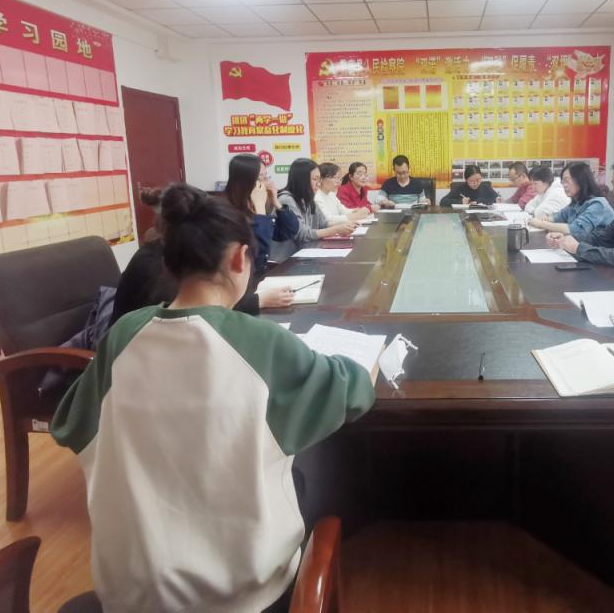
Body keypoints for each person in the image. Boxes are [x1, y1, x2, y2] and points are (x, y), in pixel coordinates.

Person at [51, 184, 375, 613]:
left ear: (169, 262)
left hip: (130, 590)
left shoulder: (125, 334)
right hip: (244, 594)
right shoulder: (260, 342)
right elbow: (352, 392)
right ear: (240, 258)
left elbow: (71, 425)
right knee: (305, 473)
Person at [224, 154, 299, 310]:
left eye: (266, 177)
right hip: (239, 292)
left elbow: (287, 232)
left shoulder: (254, 205)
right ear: (244, 181)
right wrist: (259, 211)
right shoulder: (228, 212)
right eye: (260, 178)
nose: (265, 183)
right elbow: (257, 252)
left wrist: (276, 203)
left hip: (258, 281)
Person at [528, 161, 614, 239]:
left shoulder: (598, 204)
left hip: (601, 250)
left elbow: (575, 229)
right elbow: (557, 217)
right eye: (562, 182)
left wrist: (541, 223)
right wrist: (545, 219)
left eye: (567, 181)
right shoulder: (575, 204)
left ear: (581, 180)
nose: (564, 185)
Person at [279, 158, 356, 241]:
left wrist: (344, 225)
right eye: (315, 179)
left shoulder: (308, 198)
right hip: (293, 249)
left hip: (308, 246)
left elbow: (323, 223)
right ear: (301, 179)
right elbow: (302, 234)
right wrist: (336, 230)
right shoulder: (286, 200)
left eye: (319, 180)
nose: (318, 184)